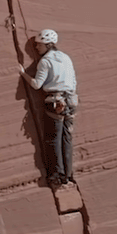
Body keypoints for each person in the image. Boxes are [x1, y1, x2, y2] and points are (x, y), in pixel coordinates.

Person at [23, 28, 78, 186]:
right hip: (71, 101)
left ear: (47, 45)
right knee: (66, 138)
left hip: (55, 102)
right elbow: (73, 81)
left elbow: (36, 84)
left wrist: (22, 73)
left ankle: (56, 175)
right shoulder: (66, 58)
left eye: (39, 45)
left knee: (53, 139)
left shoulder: (45, 61)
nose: (37, 48)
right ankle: (67, 174)